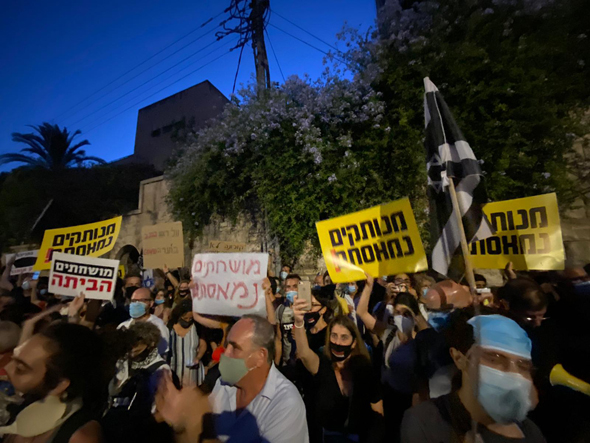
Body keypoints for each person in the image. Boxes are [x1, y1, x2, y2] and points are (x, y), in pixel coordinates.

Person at [155, 315, 309, 442]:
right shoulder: (222, 384)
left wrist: (192, 424)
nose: (225, 354)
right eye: (226, 345)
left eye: (235, 348)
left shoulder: (285, 403)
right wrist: (181, 423)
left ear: (260, 356)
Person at [401, 311, 546, 443]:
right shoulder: (426, 422)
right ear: (458, 358)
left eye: (522, 365)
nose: (512, 373)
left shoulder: (529, 431)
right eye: (494, 358)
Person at [292, 297, 383, 442]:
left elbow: (377, 411)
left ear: (353, 342)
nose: (338, 342)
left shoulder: (364, 370)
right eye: (334, 336)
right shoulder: (323, 364)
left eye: (344, 337)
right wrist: (298, 321)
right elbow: (304, 353)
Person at [1, 323, 105, 442]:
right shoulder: (23, 408)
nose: (8, 369)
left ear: (59, 384)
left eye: (20, 369)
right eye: (12, 360)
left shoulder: (80, 437)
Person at [102, 322, 173, 443]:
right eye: (130, 344)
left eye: (137, 344)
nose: (132, 348)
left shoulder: (161, 369)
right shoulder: (124, 361)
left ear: (150, 344)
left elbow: (161, 409)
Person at [118, 287, 170, 357]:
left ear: (151, 303)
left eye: (140, 300)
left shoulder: (158, 326)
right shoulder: (123, 325)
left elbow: (163, 352)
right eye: (133, 301)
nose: (136, 304)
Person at [168, 299, 206, 387]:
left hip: (193, 373)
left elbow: (203, 345)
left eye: (190, 318)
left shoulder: (197, 327)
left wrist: (198, 357)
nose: (188, 320)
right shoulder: (169, 326)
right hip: (174, 370)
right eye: (185, 318)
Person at [274, 274, 301, 368]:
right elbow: (279, 338)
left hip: (303, 362)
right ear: (285, 289)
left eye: (295, 286)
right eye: (288, 287)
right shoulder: (280, 310)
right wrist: (277, 365)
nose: (292, 290)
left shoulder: (308, 309)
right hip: (287, 364)